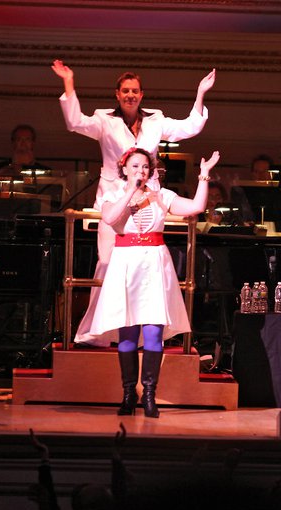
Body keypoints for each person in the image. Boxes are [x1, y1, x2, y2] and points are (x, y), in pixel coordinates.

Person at [51, 59, 215, 346]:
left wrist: (200, 93)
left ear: (141, 94)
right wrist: (68, 82)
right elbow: (75, 122)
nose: (130, 95)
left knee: (147, 266)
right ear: (117, 94)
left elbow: (189, 128)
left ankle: (142, 334)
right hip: (115, 197)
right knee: (107, 262)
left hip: (148, 197)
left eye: (135, 91)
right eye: (125, 90)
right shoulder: (104, 119)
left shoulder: (156, 119)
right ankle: (102, 332)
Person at [87, 147, 220, 418]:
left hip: (154, 264)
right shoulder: (112, 196)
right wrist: (130, 191)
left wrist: (204, 176)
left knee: (153, 333)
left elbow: (196, 207)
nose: (141, 171)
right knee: (127, 333)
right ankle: (127, 395)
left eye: (145, 167)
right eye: (135, 166)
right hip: (126, 263)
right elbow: (111, 219)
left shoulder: (162, 196)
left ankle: (149, 394)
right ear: (124, 169)